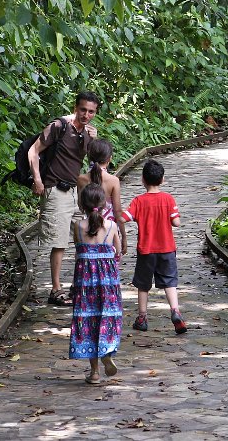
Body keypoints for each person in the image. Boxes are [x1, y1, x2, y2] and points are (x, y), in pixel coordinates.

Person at [28, 90, 101, 305]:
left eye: (91, 112)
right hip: (55, 189)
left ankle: (79, 285)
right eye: (82, 110)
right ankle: (56, 290)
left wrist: (93, 141)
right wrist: (37, 179)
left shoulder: (87, 133)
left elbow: (93, 162)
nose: (86, 115)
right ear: (75, 108)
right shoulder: (59, 126)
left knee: (85, 236)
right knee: (59, 242)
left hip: (75, 192)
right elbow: (33, 151)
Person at [122, 159, 187, 334]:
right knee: (170, 282)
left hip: (146, 250)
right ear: (162, 179)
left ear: (142, 179)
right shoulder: (168, 199)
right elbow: (176, 222)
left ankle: (142, 318)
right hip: (167, 249)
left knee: (143, 284)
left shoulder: (138, 201)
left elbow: (124, 218)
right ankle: (175, 312)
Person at [68, 183, 123, 385]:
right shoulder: (112, 226)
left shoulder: (78, 227)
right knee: (107, 317)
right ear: (104, 204)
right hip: (108, 283)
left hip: (85, 282)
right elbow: (118, 252)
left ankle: (94, 373)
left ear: (81, 205)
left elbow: (78, 250)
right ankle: (106, 350)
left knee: (89, 320)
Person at [76, 139, 128, 256]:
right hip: (109, 230)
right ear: (109, 159)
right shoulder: (113, 181)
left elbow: (80, 206)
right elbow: (118, 211)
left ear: (89, 157)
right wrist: (124, 236)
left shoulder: (81, 179)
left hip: (87, 228)